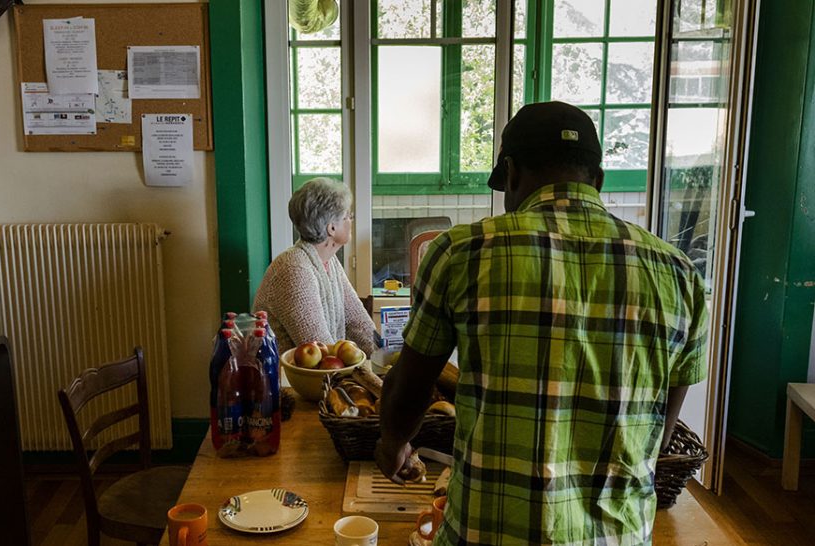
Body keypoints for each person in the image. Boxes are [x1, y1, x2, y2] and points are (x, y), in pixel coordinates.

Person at [376, 102, 708, 545]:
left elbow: (410, 384)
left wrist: (392, 441)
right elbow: (661, 429)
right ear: (599, 180)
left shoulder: (461, 252)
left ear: (511, 175)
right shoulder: (681, 274)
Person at [253, 177, 378, 355]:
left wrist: (384, 357)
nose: (351, 220)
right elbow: (320, 349)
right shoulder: (294, 269)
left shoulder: (329, 261)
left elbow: (358, 322)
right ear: (331, 228)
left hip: (315, 376)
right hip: (283, 379)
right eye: (347, 216)